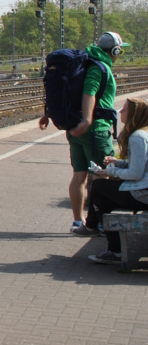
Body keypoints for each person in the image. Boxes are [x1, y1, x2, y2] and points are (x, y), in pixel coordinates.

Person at [39, 31, 126, 235]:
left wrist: (48, 114)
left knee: (79, 176)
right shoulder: (99, 68)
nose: (119, 54)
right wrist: (87, 120)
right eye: (120, 51)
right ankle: (100, 223)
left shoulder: (82, 64)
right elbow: (89, 93)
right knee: (101, 177)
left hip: (74, 128)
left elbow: (62, 92)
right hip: (95, 130)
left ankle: (78, 221)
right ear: (114, 50)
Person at [85, 96, 148, 263]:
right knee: (100, 200)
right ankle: (113, 249)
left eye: (125, 109)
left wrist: (110, 172)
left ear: (134, 114)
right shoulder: (143, 133)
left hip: (142, 193)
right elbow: (141, 164)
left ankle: (92, 227)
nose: (121, 112)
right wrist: (118, 163)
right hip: (143, 190)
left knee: (98, 184)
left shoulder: (137, 137)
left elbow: (136, 173)